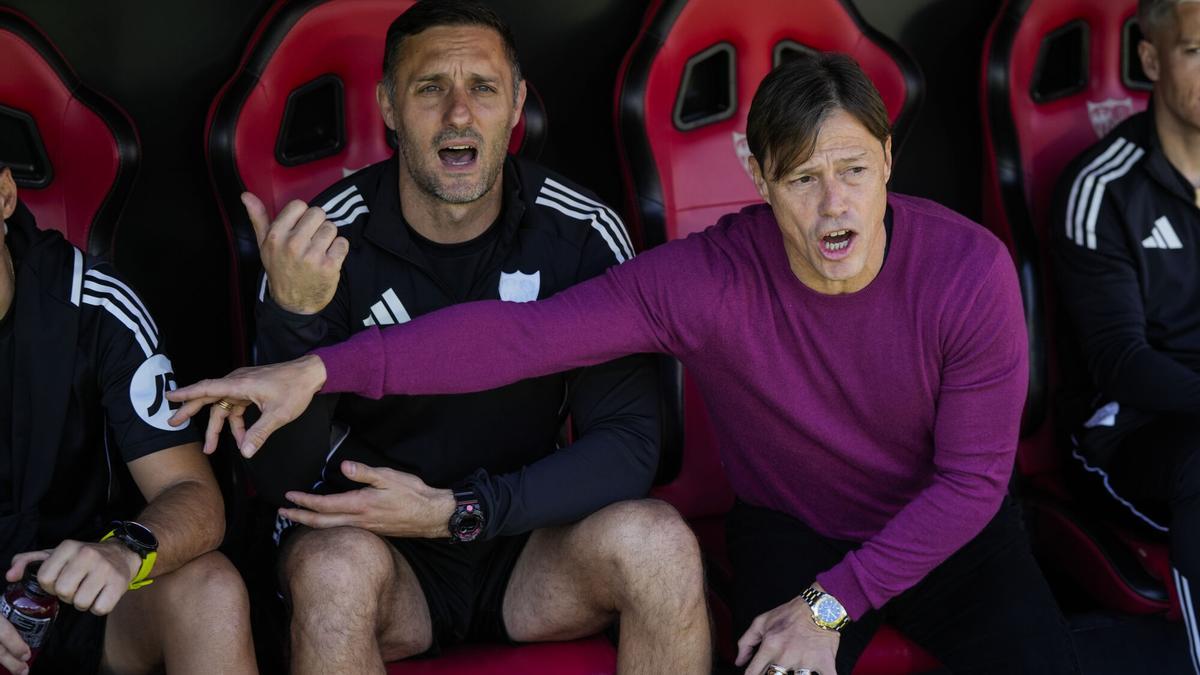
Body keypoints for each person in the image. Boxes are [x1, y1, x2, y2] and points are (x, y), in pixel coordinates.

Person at [170, 52, 1080, 674]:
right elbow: (518, 335)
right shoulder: (712, 275)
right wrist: (318, 370)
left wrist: (831, 607)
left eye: (852, 167)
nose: (833, 203)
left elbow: (969, 486)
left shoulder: (967, 271)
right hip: (799, 531)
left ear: (888, 157)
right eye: (802, 177)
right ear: (756, 176)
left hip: (949, 535)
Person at [227, 1, 709, 672]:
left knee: (660, 544)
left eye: (482, 87)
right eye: (430, 89)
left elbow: (628, 447)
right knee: (331, 569)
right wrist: (294, 317)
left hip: (527, 542)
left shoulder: (578, 230)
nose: (459, 112)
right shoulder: (320, 240)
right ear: (389, 107)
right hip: (382, 547)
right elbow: (274, 477)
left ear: (516, 105)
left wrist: (465, 509)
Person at [0, 163, 256, 674]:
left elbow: (195, 496)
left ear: (4, 196)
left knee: (211, 590)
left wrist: (124, 552)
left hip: (79, 598)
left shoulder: (94, 304)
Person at [1052, 0, 1200, 670]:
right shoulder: (1101, 185)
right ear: (1152, 59)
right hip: (1131, 431)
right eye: (1197, 51)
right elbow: (1120, 359)